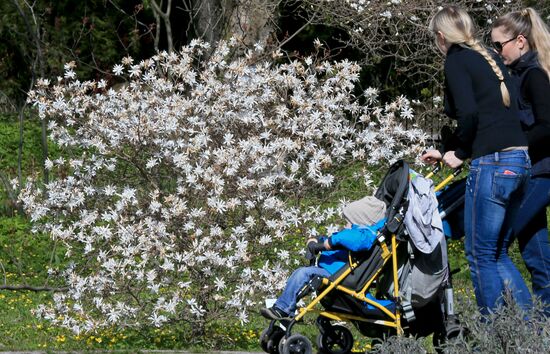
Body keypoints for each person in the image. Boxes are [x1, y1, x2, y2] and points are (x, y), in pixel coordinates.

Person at [421, 6, 532, 316]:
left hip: (493, 164)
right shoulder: (489, 57)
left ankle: (496, 334)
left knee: (480, 255)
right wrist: (451, 151)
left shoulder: (456, 59)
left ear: (441, 37)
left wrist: (460, 153)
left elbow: (468, 114)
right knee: (496, 254)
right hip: (520, 161)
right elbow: (490, 114)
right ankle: (533, 333)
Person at [491, 8, 550, 316]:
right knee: (535, 253)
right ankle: (543, 327)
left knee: (496, 244)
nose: (497, 52)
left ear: (521, 41)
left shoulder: (534, 76)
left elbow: (547, 126)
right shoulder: (518, 76)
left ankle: (519, 321)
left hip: (542, 174)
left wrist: (518, 147)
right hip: (533, 173)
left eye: (500, 45)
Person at [260, 196, 387, 320]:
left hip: (338, 276)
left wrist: (328, 243)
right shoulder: (359, 233)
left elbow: (349, 239)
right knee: (303, 273)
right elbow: (342, 238)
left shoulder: (366, 236)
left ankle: (283, 308)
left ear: (361, 221)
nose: (346, 225)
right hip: (334, 273)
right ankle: (284, 306)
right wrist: (318, 241)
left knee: (303, 273)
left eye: (349, 222)